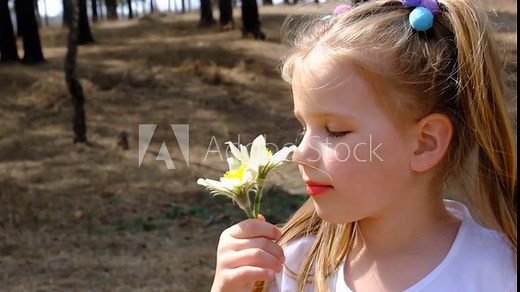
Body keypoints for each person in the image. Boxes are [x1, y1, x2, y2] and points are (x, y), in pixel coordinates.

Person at [210, 0, 517, 291]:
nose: (300, 153)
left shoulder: (499, 272)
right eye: (303, 127)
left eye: (336, 131)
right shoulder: (291, 266)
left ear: (425, 143)